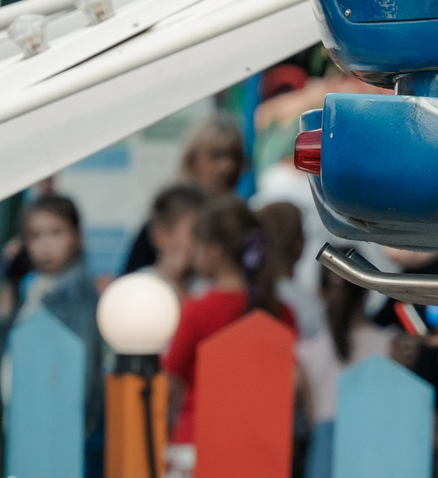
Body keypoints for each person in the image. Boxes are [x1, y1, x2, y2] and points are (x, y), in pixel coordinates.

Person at [161, 195, 299, 469]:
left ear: (214, 251)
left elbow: (170, 379)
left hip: (196, 443)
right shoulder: (281, 311)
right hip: (260, 447)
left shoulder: (198, 310)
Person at [0, 193, 105, 461]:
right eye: (35, 236)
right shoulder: (32, 288)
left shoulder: (80, 297)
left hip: (61, 432)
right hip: (28, 425)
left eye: (56, 233)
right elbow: (0, 339)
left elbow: (86, 370)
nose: (45, 245)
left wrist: (79, 427)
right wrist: (9, 278)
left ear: (76, 237)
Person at [296, 258, 401, 478]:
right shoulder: (390, 345)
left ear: (320, 291)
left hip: (324, 452)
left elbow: (310, 412)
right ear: (366, 292)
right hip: (374, 450)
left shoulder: (305, 352)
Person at [124, 115, 246, 276]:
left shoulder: (242, 221)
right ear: (191, 160)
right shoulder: (166, 218)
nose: (227, 166)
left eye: (234, 156)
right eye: (216, 156)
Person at [129, 182, 208, 288]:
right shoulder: (140, 287)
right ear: (162, 236)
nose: (206, 240)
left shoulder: (206, 288)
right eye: (196, 232)